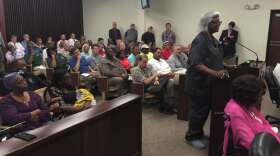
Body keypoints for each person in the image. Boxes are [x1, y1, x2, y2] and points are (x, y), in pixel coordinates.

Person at [185, 11, 227, 149]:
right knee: (198, 110)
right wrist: (215, 73)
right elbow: (196, 63)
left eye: (219, 21)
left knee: (204, 110)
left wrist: (226, 67)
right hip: (198, 83)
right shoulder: (201, 39)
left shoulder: (213, 40)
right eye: (216, 21)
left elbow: (214, 60)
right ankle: (191, 136)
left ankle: (199, 133)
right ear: (208, 23)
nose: (219, 24)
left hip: (208, 84)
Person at [223, 75, 280, 155]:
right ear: (249, 96)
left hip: (270, 142)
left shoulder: (248, 106)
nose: (262, 98)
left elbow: (263, 122)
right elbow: (251, 145)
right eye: (260, 95)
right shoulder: (236, 113)